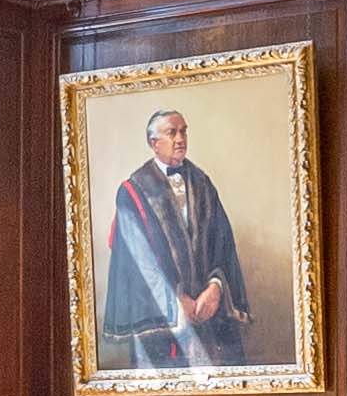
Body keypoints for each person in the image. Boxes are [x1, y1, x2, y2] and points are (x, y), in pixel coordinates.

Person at [95, 105, 249, 372]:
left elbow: (223, 243)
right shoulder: (133, 191)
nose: (180, 139)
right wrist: (176, 300)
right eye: (172, 132)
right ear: (154, 143)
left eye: (183, 132)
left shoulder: (202, 183)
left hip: (207, 312)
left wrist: (215, 287)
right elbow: (138, 261)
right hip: (159, 321)